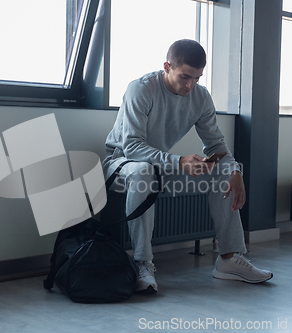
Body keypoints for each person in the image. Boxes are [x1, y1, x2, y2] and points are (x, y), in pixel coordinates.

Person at [102, 39, 273, 293]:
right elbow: (133, 148)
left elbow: (216, 145)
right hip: (121, 163)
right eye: (185, 77)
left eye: (197, 78)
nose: (190, 85)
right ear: (167, 66)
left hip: (161, 165)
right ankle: (143, 264)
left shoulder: (200, 97)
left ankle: (228, 260)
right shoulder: (141, 89)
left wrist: (234, 170)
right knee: (143, 170)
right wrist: (179, 162)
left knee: (223, 170)